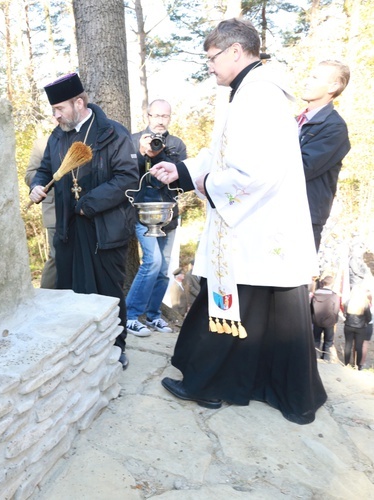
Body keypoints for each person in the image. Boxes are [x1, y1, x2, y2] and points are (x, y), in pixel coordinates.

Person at [149, 18, 327, 424]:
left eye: (212, 57)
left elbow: (254, 173)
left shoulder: (257, 97)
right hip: (253, 226)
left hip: (255, 226)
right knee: (245, 309)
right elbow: (224, 154)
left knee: (232, 304)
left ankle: (208, 384)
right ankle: (223, 385)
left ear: (234, 51)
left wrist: (207, 183)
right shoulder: (247, 92)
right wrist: (182, 170)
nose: (209, 66)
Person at [29, 72, 139, 369]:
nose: (56, 116)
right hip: (69, 229)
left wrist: (87, 204)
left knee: (107, 292)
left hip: (104, 229)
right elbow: (45, 170)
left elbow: (127, 178)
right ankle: (80, 349)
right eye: (53, 110)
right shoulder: (57, 136)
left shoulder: (112, 133)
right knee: (71, 291)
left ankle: (116, 346)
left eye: (60, 109)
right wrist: (37, 186)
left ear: (79, 103)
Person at [124, 99, 188, 336]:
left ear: (169, 118)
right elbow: (127, 175)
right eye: (156, 115)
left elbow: (182, 178)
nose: (160, 120)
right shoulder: (133, 140)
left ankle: (153, 316)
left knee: (163, 269)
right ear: (147, 115)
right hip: (142, 213)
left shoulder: (176, 144)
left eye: (165, 116)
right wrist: (141, 153)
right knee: (153, 262)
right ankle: (130, 315)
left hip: (169, 214)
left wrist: (161, 155)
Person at [298, 60, 351, 251]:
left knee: (294, 280)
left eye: (315, 77)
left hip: (304, 218)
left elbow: (302, 167)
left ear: (334, 86)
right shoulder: (294, 122)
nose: (307, 81)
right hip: (279, 211)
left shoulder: (334, 127)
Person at [25, 135, 56, 288]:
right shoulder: (42, 143)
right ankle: (46, 296)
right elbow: (29, 176)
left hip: (82, 209)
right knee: (57, 257)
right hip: (54, 211)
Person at [310, 276, 341, 361]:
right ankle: (326, 357)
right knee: (328, 341)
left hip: (316, 320)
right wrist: (335, 320)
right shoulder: (334, 296)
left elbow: (311, 308)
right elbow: (336, 310)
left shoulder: (315, 294)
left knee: (316, 339)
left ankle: (315, 357)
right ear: (331, 284)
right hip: (329, 321)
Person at [342, 285, 372, 370]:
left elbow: (344, 314)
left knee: (348, 345)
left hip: (348, 325)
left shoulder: (348, 302)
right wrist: (364, 322)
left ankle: (346, 363)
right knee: (359, 346)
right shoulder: (364, 304)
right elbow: (369, 317)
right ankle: (358, 365)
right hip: (360, 327)